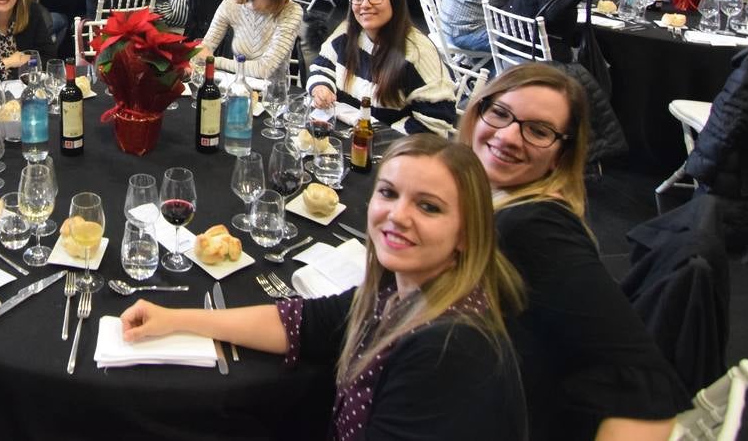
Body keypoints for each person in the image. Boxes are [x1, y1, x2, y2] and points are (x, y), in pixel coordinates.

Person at [119, 133, 527, 440]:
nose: (398, 215)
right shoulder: (397, 291)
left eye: (429, 206)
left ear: (467, 233)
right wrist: (174, 319)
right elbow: (303, 322)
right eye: (388, 193)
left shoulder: (449, 349)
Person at [461, 64, 687, 439]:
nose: (509, 136)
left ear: (561, 156)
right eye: (500, 113)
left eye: (538, 131)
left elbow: (649, 389)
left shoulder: (534, 228)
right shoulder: (492, 197)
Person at [307, 0, 456, 135]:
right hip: (345, 133)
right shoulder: (346, 33)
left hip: (391, 147)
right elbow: (322, 67)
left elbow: (436, 122)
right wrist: (321, 87)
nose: (365, 4)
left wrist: (379, 136)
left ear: (395, 1)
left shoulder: (417, 52)